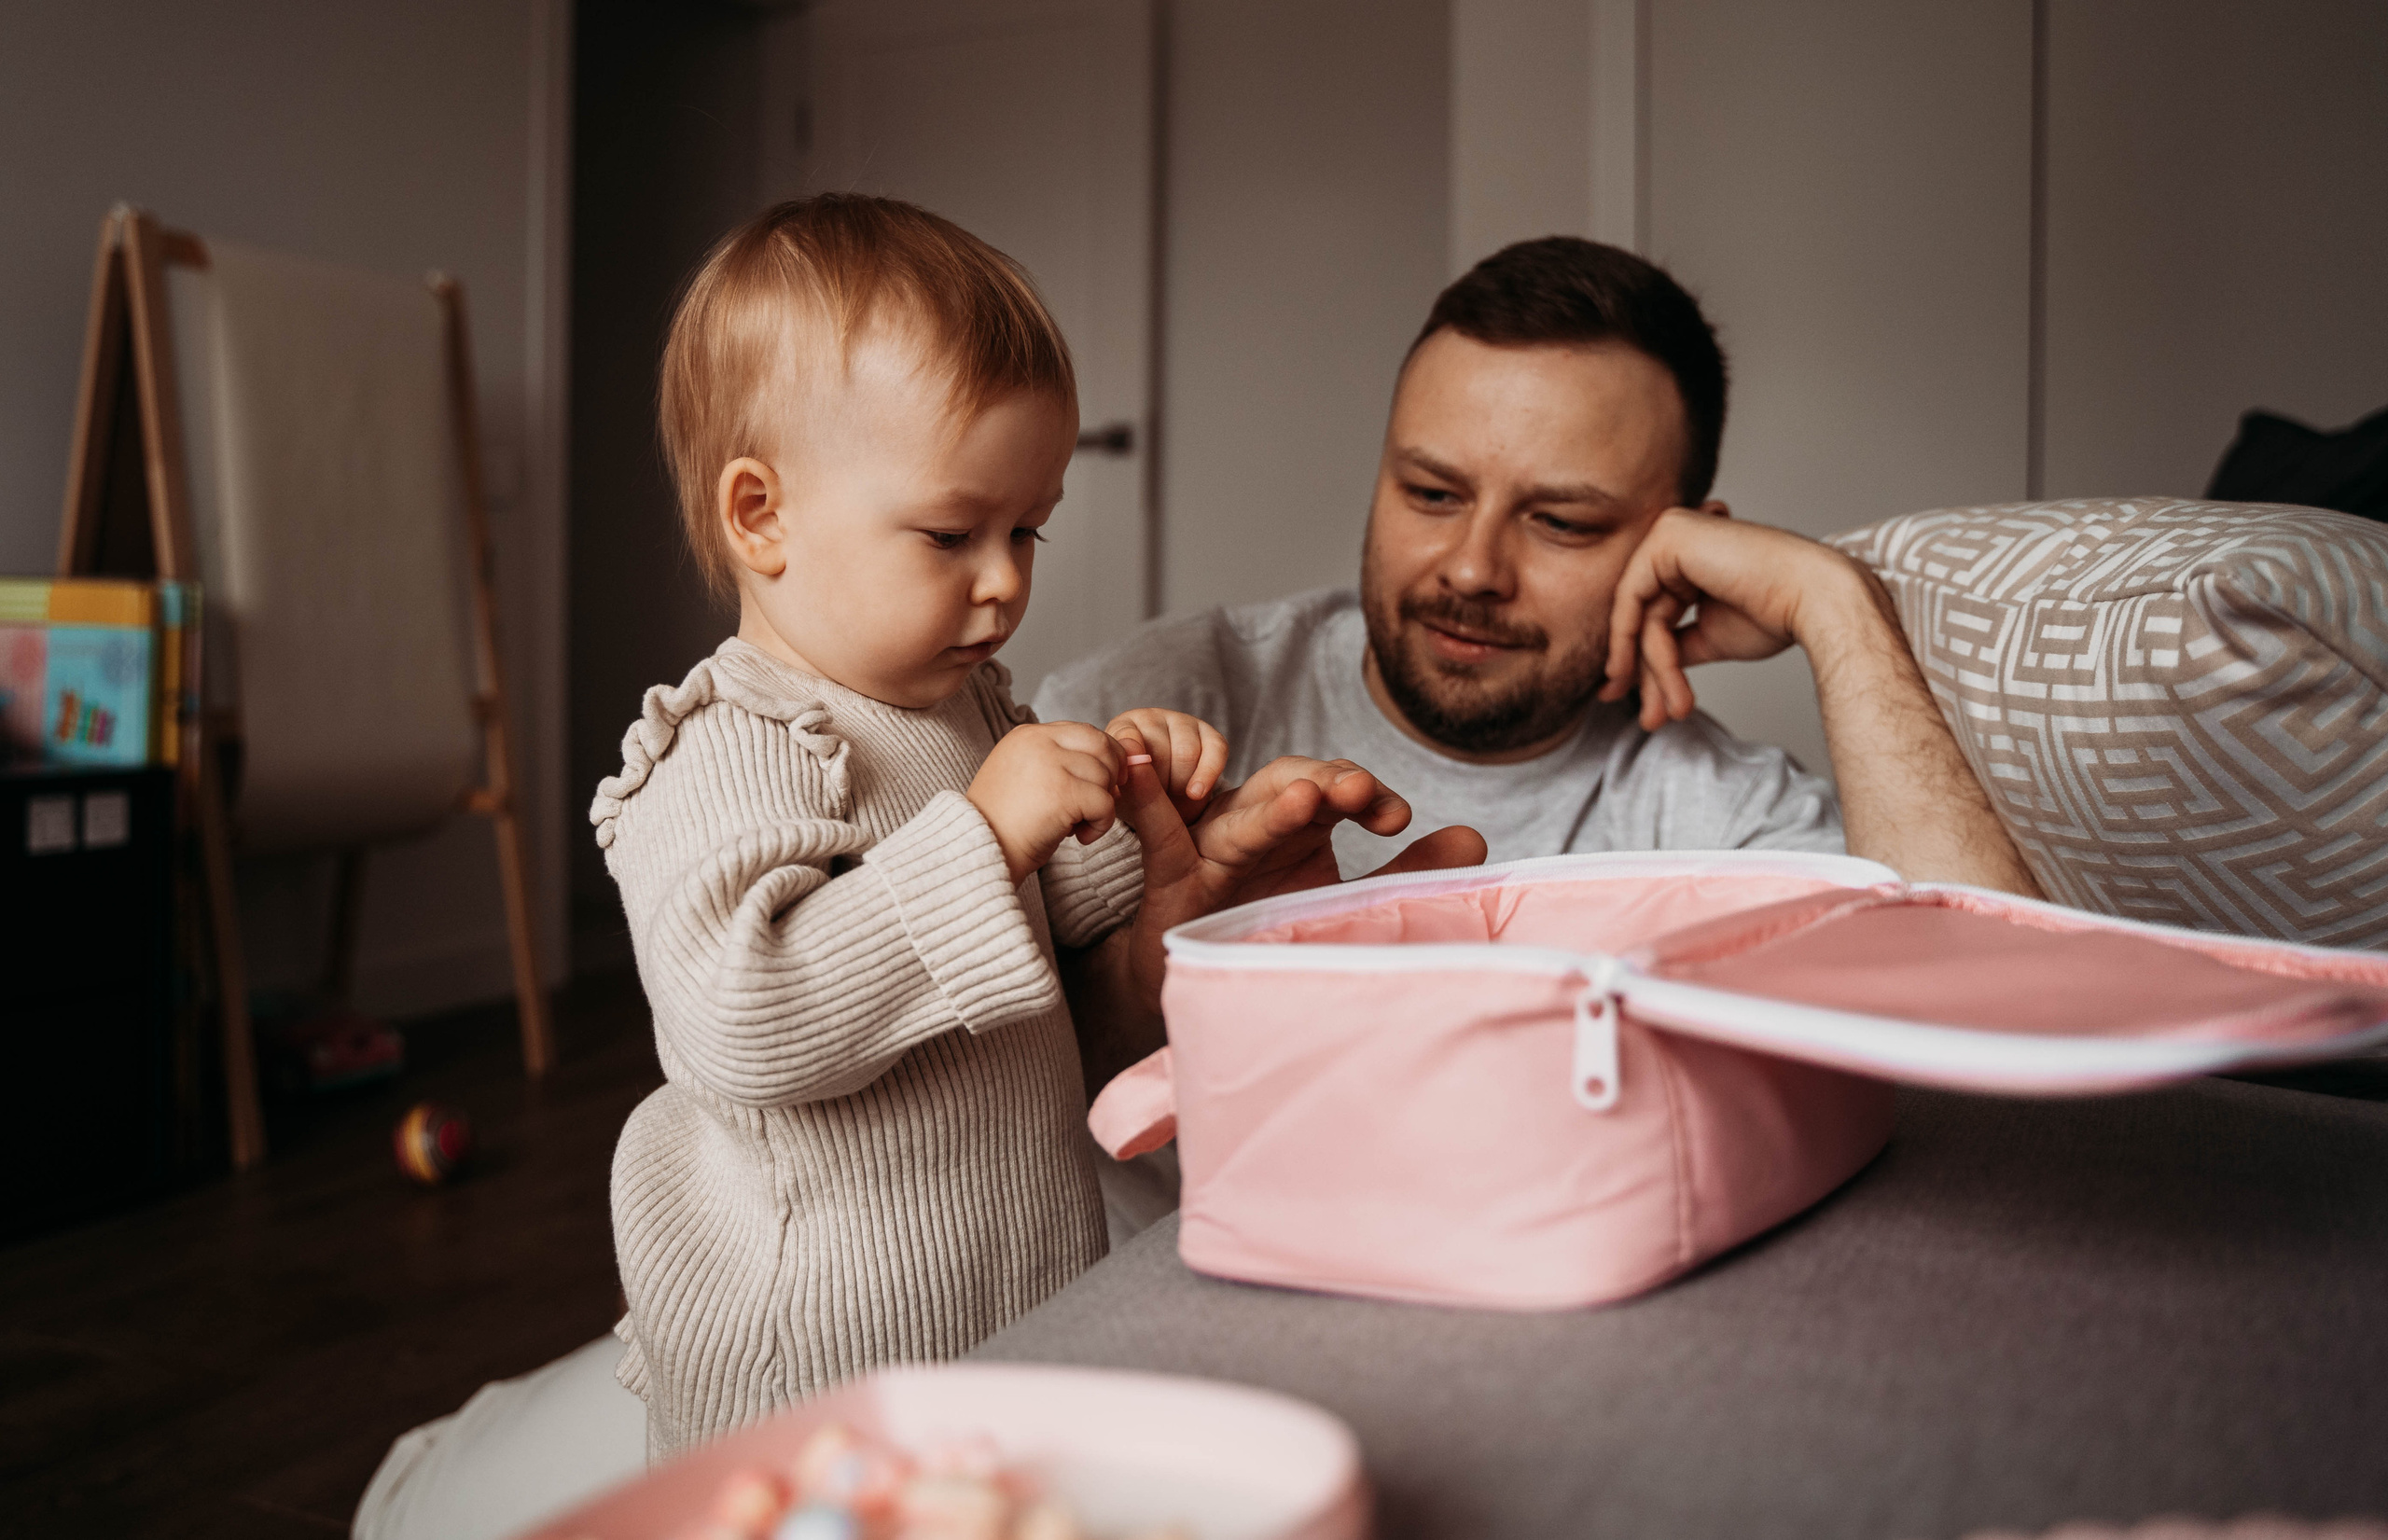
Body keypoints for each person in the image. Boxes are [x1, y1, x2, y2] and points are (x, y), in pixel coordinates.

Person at [589, 196, 1464, 1457]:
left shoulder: (971, 708)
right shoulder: (718, 745)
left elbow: (1061, 934)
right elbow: (742, 1015)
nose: (1005, 580)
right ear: (759, 514)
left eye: (1027, 528)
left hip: (1016, 1291)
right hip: (821, 1369)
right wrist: (987, 831)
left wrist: (1154, 810)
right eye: (952, 533)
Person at [1036, 237, 2039, 896]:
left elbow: (1992, 1018)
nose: (1472, 569)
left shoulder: (1714, 819)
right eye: (1431, 494)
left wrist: (1837, 604)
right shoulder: (1156, 708)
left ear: (1685, 548)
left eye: (1560, 522)